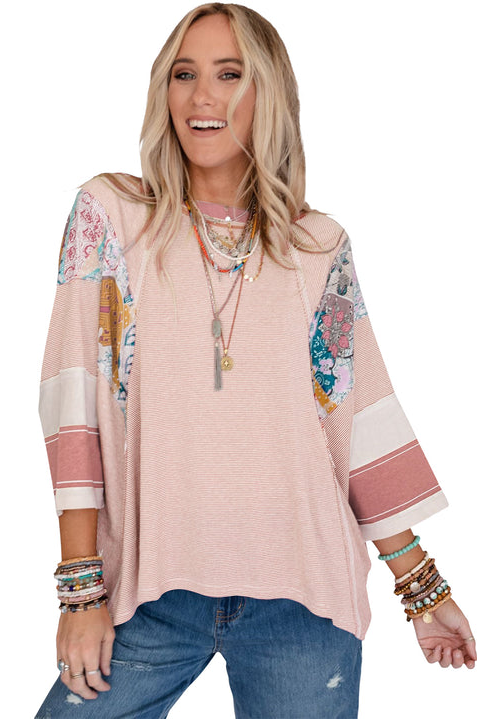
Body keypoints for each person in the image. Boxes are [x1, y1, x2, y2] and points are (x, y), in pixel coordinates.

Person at [34, 3, 476, 718]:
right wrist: (80, 593)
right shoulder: (112, 217)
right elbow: (71, 400)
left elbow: (352, 425)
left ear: (267, 94)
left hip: (302, 599)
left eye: (229, 74)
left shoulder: (317, 247)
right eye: (184, 75)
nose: (201, 97)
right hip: (148, 589)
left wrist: (422, 588)